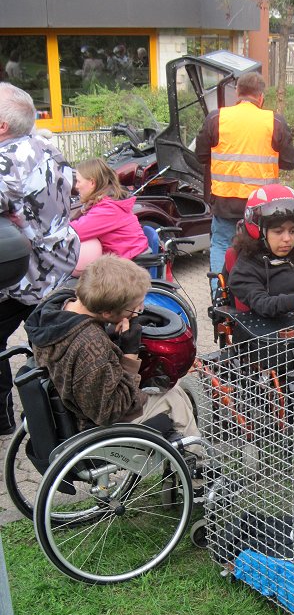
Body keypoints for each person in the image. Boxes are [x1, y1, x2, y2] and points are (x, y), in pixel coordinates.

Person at [24, 255, 199, 443]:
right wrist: (130, 354)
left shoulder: (55, 304)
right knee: (174, 397)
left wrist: (110, 337)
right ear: (107, 312)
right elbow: (113, 410)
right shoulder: (89, 344)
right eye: (134, 309)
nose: (140, 309)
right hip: (91, 426)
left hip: (69, 402)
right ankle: (195, 460)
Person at [0, 82, 79, 436]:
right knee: (50, 339)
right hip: (61, 260)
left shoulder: (4, 164)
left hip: (24, 273)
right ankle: (64, 414)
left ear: (2, 126)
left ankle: (7, 421)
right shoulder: (45, 145)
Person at [195, 71, 294, 280]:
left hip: (225, 203)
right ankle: (255, 295)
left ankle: (219, 298)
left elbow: (200, 155)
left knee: (223, 245)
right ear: (260, 97)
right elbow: (290, 162)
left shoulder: (216, 118)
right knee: (260, 248)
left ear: (237, 94)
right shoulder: (274, 122)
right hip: (262, 206)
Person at [228, 185, 294, 319]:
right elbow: (261, 303)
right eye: (278, 231)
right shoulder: (246, 267)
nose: (287, 239)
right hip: (272, 335)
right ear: (258, 231)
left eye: (292, 231)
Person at [70, 157, 149, 276]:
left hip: (128, 267)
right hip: (123, 260)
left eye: (79, 181)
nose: (76, 186)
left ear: (92, 183)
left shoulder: (108, 209)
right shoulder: (106, 203)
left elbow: (76, 231)